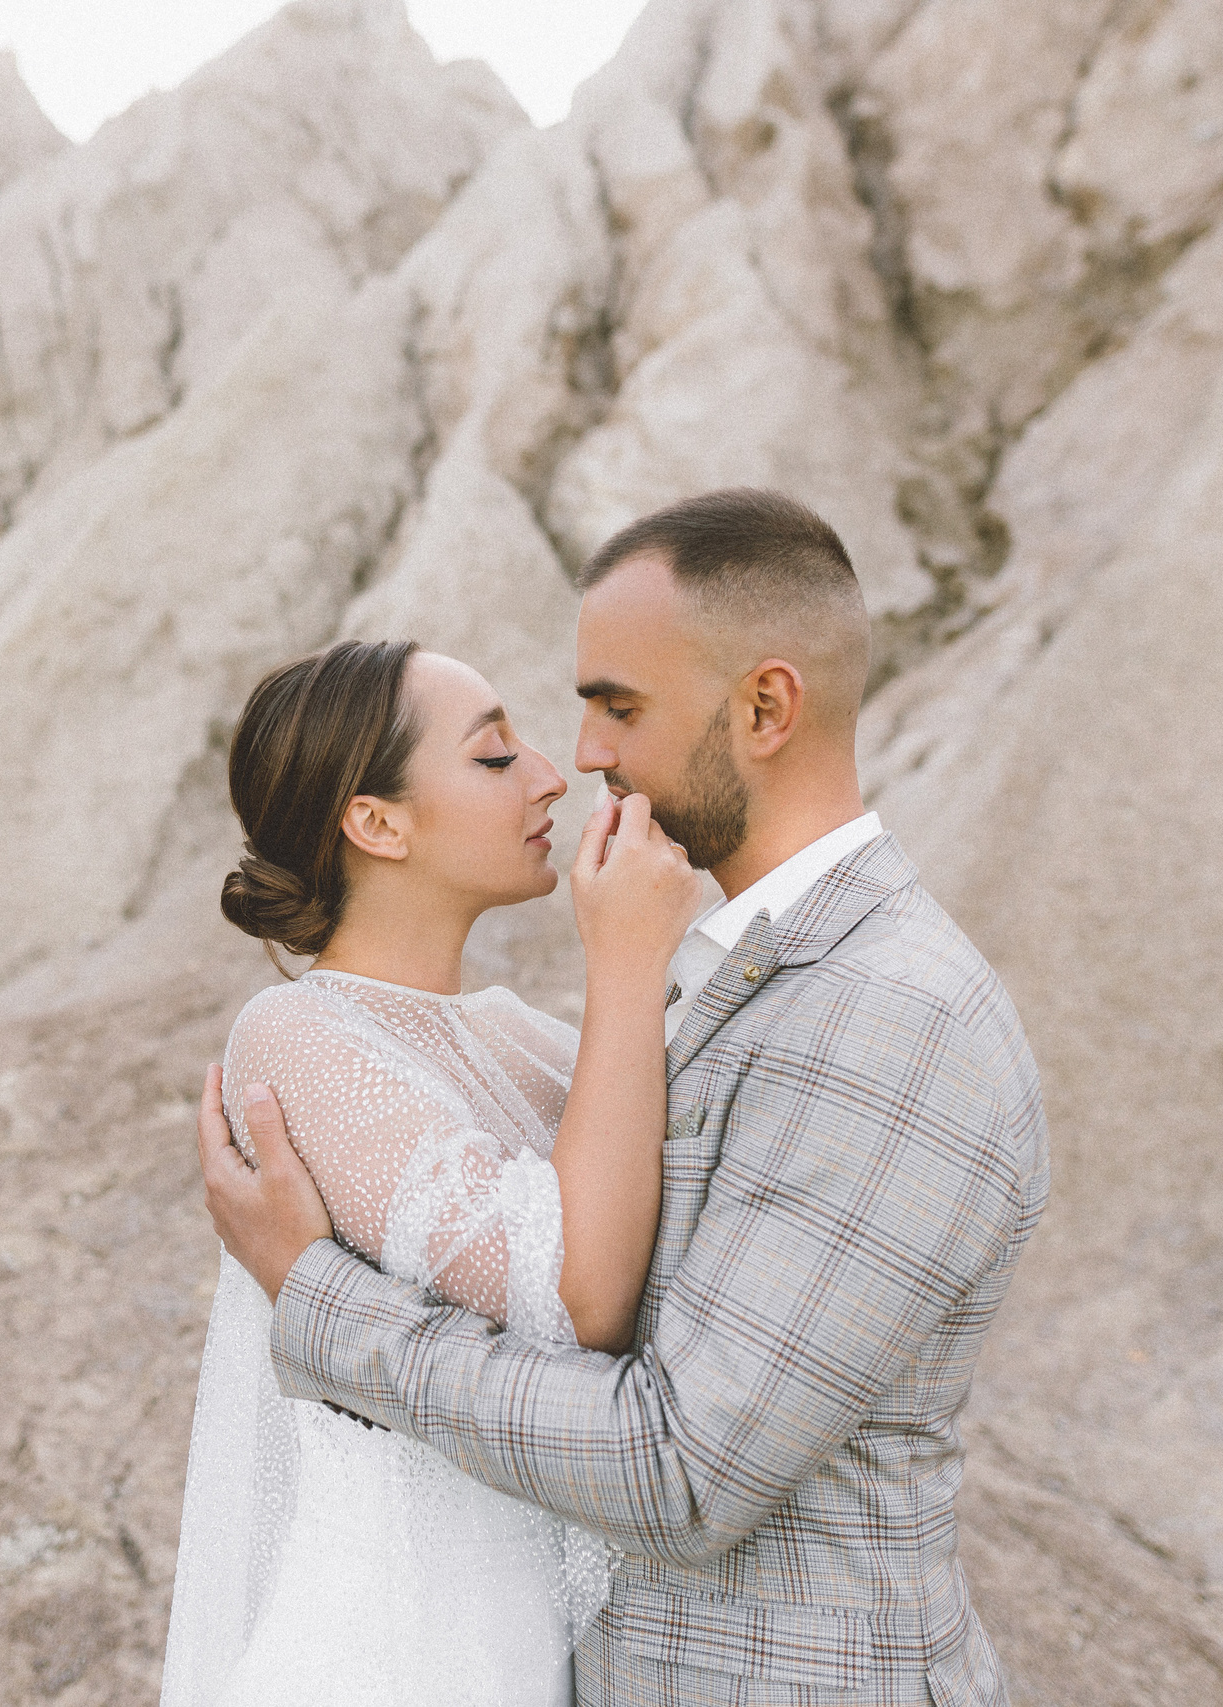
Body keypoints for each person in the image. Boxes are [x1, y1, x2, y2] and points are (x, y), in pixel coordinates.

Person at [196, 489, 1051, 1707]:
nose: (581, 759)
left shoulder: (887, 1018)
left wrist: (323, 1305)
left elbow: (681, 1471)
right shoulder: (745, 978)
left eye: (618, 709)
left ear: (764, 707)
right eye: (521, 738)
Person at [160, 636, 708, 1706]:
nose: (552, 775)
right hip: (386, 1660)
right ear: (376, 823)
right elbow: (574, 1294)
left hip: (516, 1657)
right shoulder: (296, 1034)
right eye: (496, 757)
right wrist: (629, 960)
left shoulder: (518, 1039)